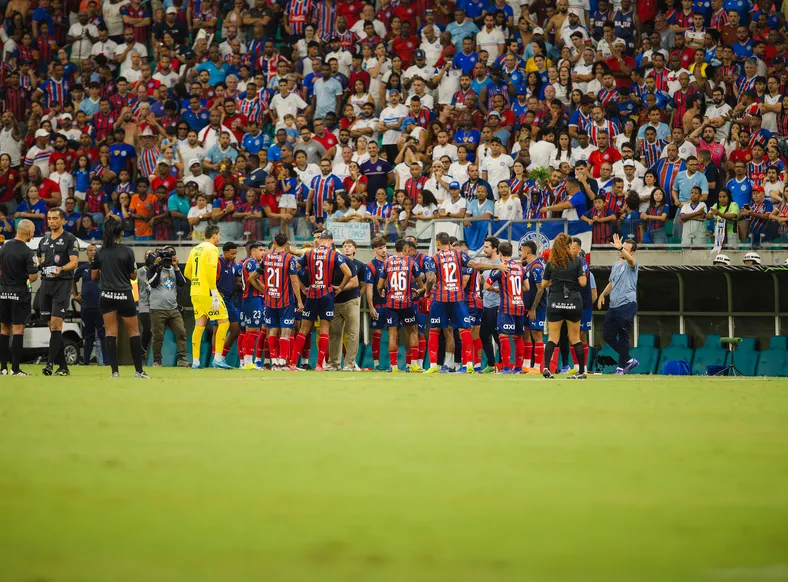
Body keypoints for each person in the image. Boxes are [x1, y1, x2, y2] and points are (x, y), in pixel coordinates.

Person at [423, 231, 506, 374]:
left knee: (434, 331)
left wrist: (427, 291)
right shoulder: (459, 254)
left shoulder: (433, 258)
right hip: (457, 298)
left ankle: (433, 365)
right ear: (449, 243)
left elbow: (430, 279)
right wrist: (496, 266)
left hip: (440, 298)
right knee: (465, 330)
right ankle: (468, 364)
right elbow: (475, 265)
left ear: (437, 243)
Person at [90, 218, 149, 379]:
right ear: (121, 233)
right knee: (134, 332)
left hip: (107, 295)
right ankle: (139, 371)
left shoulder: (100, 252)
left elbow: (94, 276)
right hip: (124, 295)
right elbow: (133, 275)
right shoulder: (127, 251)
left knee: (110, 332)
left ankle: (114, 372)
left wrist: (107, 273)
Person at [288, 230, 352, 371]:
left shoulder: (309, 253)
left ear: (320, 240)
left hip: (312, 293)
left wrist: (303, 287)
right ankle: (319, 365)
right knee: (324, 329)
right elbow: (348, 273)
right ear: (331, 241)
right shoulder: (334, 254)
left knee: (304, 329)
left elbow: (293, 269)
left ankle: (292, 363)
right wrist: (340, 287)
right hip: (327, 294)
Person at [528, 233, 588, 379]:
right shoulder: (577, 261)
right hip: (573, 301)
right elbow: (583, 282)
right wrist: (571, 279)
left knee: (553, 338)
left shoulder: (551, 263)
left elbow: (543, 284)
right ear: (568, 245)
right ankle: (581, 371)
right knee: (575, 338)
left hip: (555, 301)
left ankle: (546, 368)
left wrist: (556, 281)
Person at [252, 232, 304, 370]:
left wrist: (265, 290)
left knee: (272, 331)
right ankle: (282, 362)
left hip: (270, 301)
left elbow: (252, 278)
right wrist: (299, 301)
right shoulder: (289, 258)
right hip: (285, 301)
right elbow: (294, 281)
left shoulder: (266, 257)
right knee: (286, 331)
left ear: (274, 243)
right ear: (287, 244)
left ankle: (274, 362)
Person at [37, 208, 80, 377]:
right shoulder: (44, 241)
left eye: (55, 218)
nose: (52, 221)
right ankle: (63, 367)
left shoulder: (70, 239)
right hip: (45, 285)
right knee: (53, 328)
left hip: (62, 284)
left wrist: (61, 269)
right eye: (49, 219)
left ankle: (49, 364)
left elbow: (74, 263)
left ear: (63, 220)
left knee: (56, 325)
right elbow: (39, 261)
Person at [183, 225, 232, 369]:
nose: (220, 237)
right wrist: (214, 292)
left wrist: (198, 280)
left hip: (195, 291)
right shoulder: (212, 249)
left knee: (199, 325)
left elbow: (187, 273)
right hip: (208, 292)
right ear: (214, 234)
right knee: (224, 322)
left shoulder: (195, 249)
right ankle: (218, 358)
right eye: (219, 234)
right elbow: (211, 272)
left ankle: (196, 361)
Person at [377, 238, 424, 373]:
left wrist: (382, 292)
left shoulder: (387, 262)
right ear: (405, 249)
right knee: (413, 331)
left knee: (392, 333)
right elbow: (421, 285)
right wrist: (418, 290)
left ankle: (394, 366)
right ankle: (413, 364)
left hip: (391, 303)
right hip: (406, 302)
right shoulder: (411, 262)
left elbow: (379, 286)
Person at [0, 219, 38, 376]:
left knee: (4, 329)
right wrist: (25, 283)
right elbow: (33, 276)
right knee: (18, 329)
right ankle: (15, 369)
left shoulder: (4, 247)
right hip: (19, 293)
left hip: (3, 292)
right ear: (28, 232)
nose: (33, 235)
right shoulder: (28, 252)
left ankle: (2, 368)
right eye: (33, 232)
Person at [597, 233, 639, 375]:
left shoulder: (632, 264)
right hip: (613, 306)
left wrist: (620, 248)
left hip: (626, 304)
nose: (622, 250)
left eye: (626, 249)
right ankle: (629, 359)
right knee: (607, 335)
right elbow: (611, 283)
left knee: (623, 336)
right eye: (622, 248)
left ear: (632, 252)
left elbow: (631, 260)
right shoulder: (615, 265)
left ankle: (620, 368)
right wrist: (603, 294)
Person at [484, 241, 527, 374]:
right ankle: (518, 368)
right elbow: (527, 287)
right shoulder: (520, 267)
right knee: (518, 337)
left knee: (503, 335)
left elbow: (486, 286)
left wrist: (496, 290)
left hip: (507, 306)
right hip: (519, 305)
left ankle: (506, 367)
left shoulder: (500, 268)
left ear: (500, 253)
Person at [147, 247, 188, 367]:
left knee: (181, 332)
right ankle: (157, 360)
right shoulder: (153, 268)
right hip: (158, 309)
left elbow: (182, 283)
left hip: (173, 308)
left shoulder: (174, 269)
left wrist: (176, 267)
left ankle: (182, 359)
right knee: (158, 337)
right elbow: (153, 283)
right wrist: (158, 267)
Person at [328, 239, 363, 371]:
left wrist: (339, 288)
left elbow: (355, 283)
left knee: (353, 334)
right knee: (334, 334)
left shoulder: (346, 261)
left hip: (350, 301)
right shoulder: (325, 263)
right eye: (345, 246)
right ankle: (333, 364)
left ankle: (349, 364)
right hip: (335, 302)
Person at [72, 243, 106, 366]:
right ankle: (86, 362)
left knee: (102, 335)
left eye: (95, 250)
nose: (92, 252)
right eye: (90, 250)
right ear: (86, 253)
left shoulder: (103, 266)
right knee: (88, 335)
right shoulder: (83, 267)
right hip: (86, 306)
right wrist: (75, 295)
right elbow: (73, 280)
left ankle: (105, 362)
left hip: (100, 306)